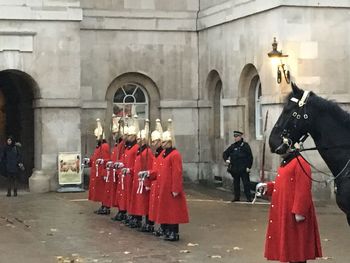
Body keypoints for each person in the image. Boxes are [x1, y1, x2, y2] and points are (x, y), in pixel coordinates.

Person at [256, 152, 322, 263]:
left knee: (297, 252)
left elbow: (303, 188)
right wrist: (268, 187)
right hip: (286, 211)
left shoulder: (300, 163)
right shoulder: (287, 162)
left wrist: (300, 211)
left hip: (295, 213)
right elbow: (283, 184)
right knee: (291, 252)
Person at [156, 119, 189, 241]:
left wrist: (176, 188)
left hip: (171, 188)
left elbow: (177, 173)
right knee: (166, 210)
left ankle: (174, 232)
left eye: (164, 142)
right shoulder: (165, 154)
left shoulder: (175, 155)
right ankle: (167, 230)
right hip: (165, 187)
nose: (162, 145)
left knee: (173, 212)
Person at [223, 130, 253, 202]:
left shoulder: (245, 146)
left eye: (237, 136)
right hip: (235, 168)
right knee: (236, 184)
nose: (235, 138)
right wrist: (226, 160)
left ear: (240, 137)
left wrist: (248, 167)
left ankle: (248, 198)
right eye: (235, 136)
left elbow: (250, 157)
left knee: (246, 184)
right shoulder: (233, 146)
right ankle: (236, 197)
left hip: (243, 168)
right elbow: (225, 153)